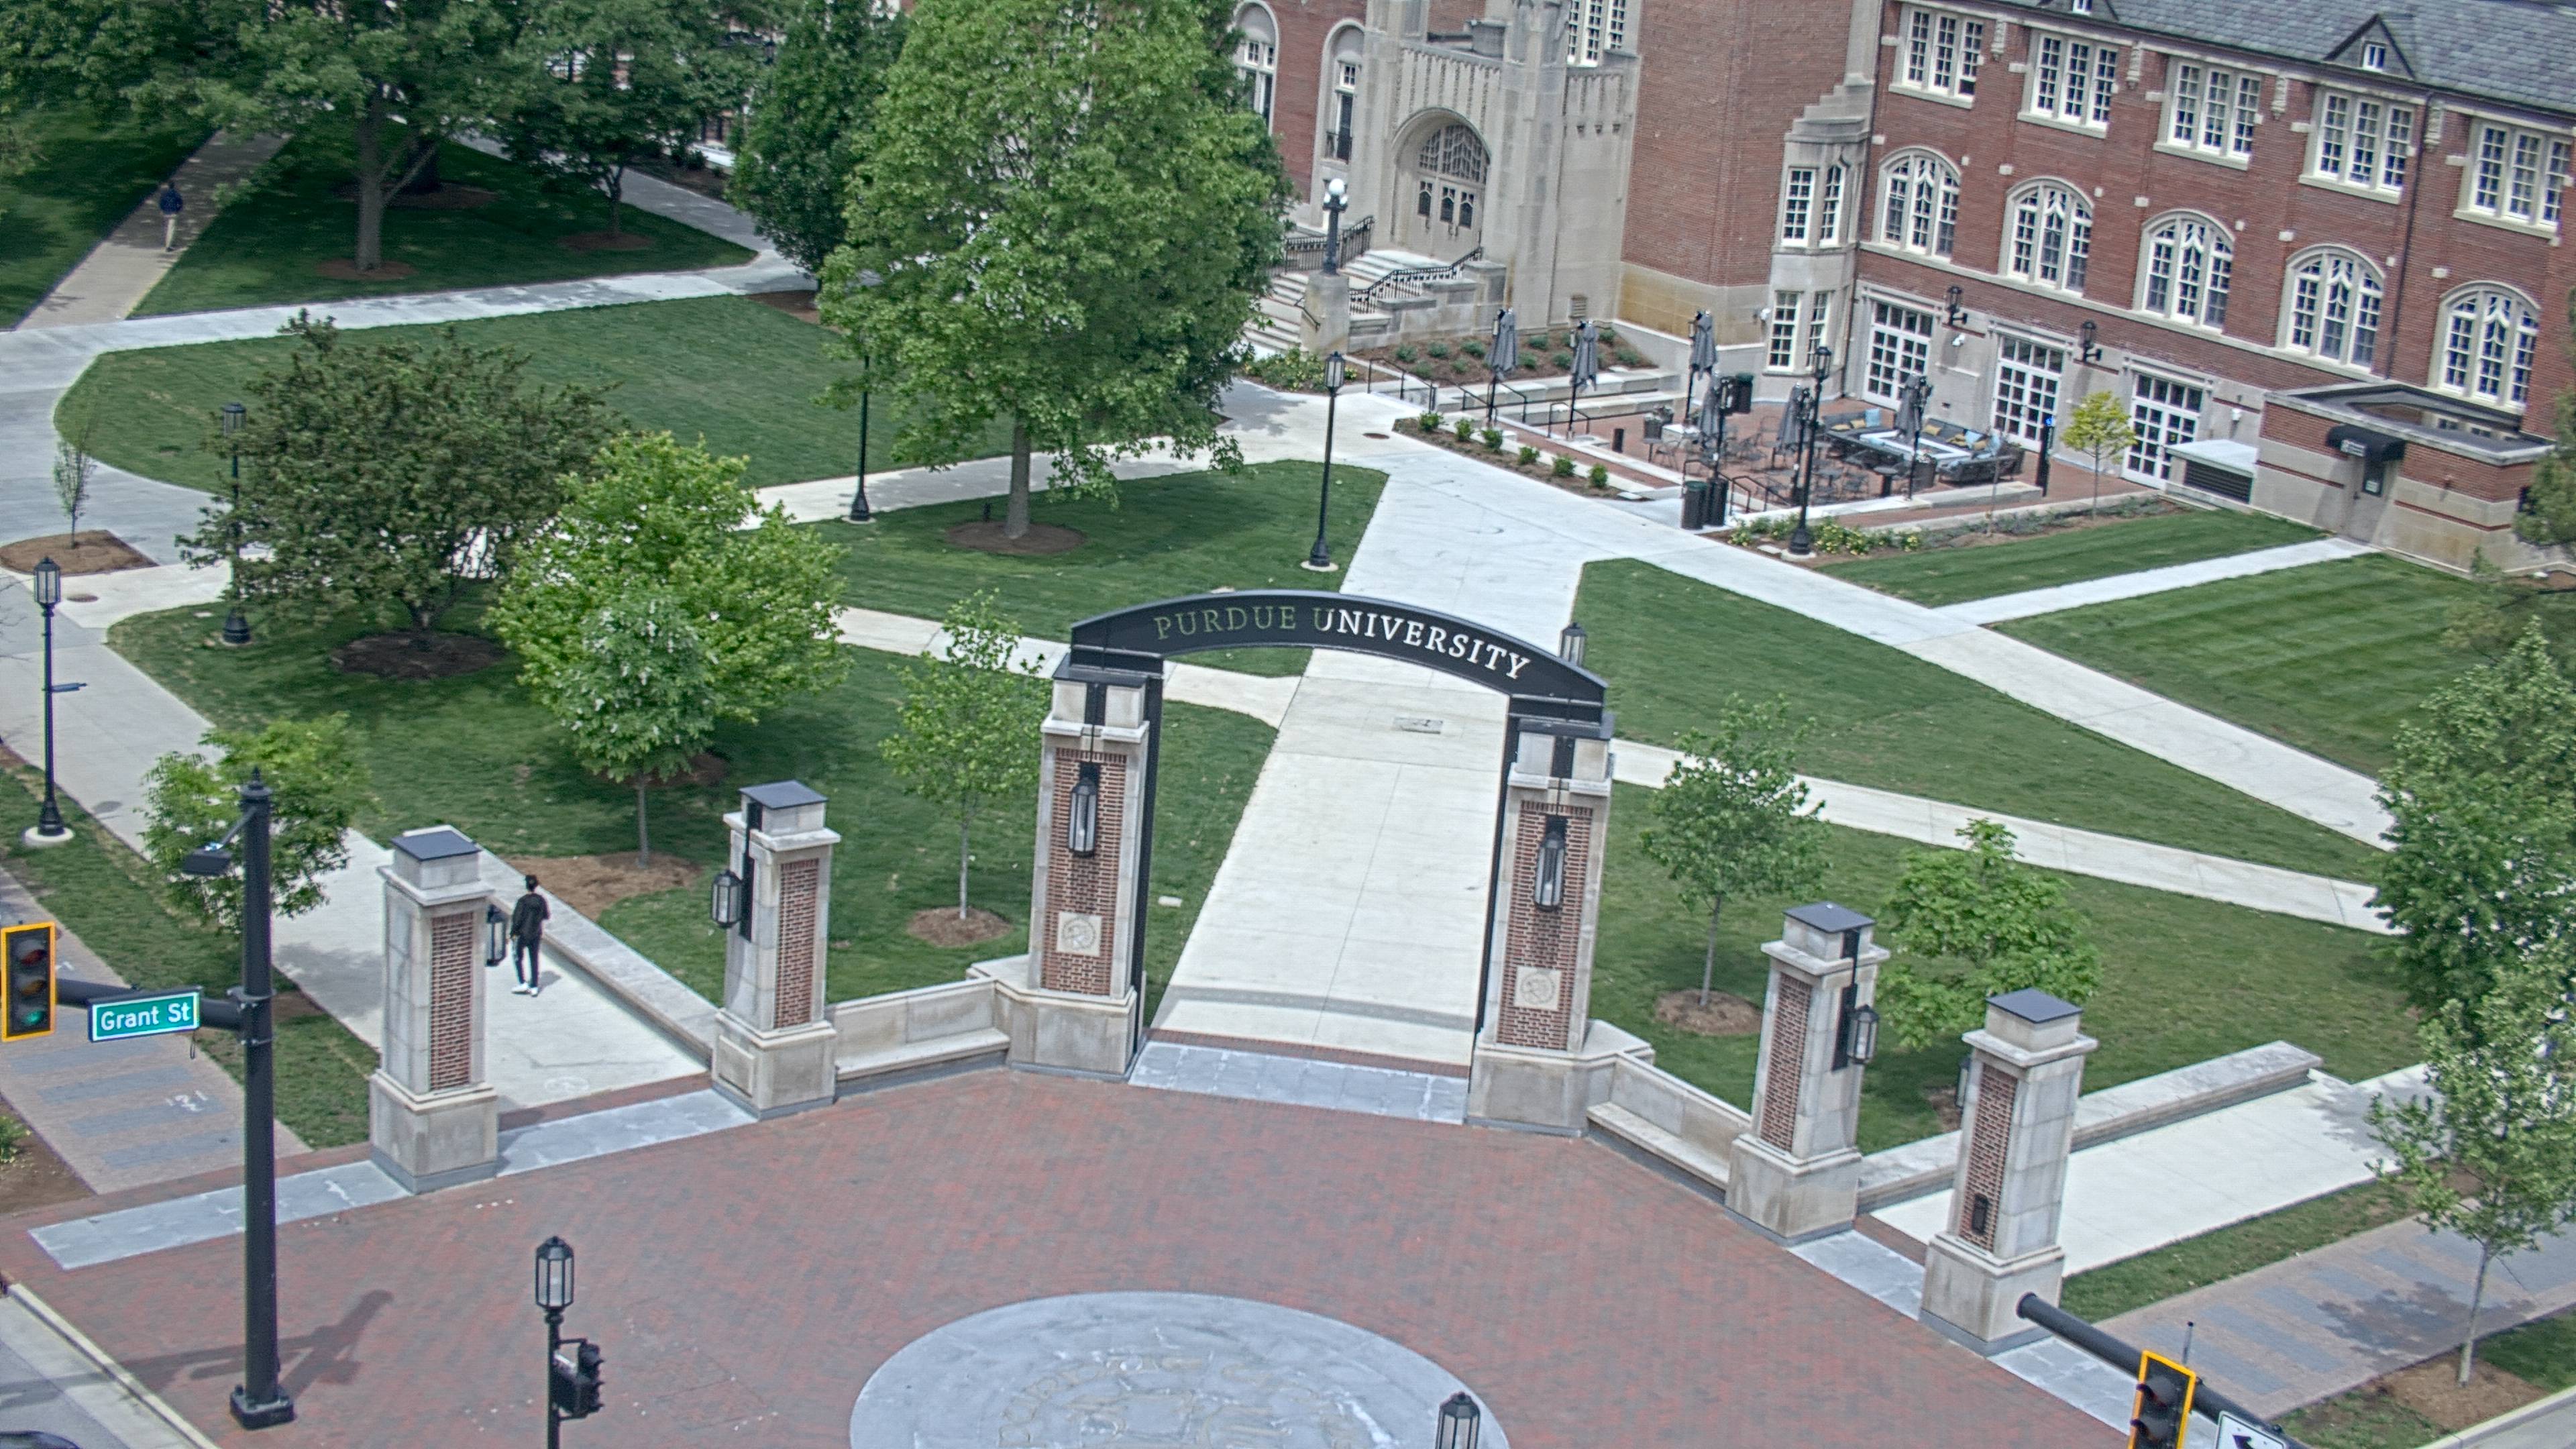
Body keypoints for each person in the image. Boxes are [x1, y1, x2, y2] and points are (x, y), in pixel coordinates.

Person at [508, 875, 550, 996]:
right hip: (536, 933)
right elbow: (546, 916)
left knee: (518, 957)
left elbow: (517, 920)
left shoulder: (522, 901)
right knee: (534, 959)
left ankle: (522, 982)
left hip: (522, 934)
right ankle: (534, 986)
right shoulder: (541, 900)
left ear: (526, 886)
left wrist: (512, 934)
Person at [157, 181, 184, 252]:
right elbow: (180, 203)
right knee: (171, 229)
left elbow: (161, 203)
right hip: (173, 213)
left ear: (168, 186)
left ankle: (170, 242)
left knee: (167, 228)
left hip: (166, 213)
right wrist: (178, 210)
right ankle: (168, 246)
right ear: (173, 186)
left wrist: (162, 210)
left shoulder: (164, 194)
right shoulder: (176, 194)